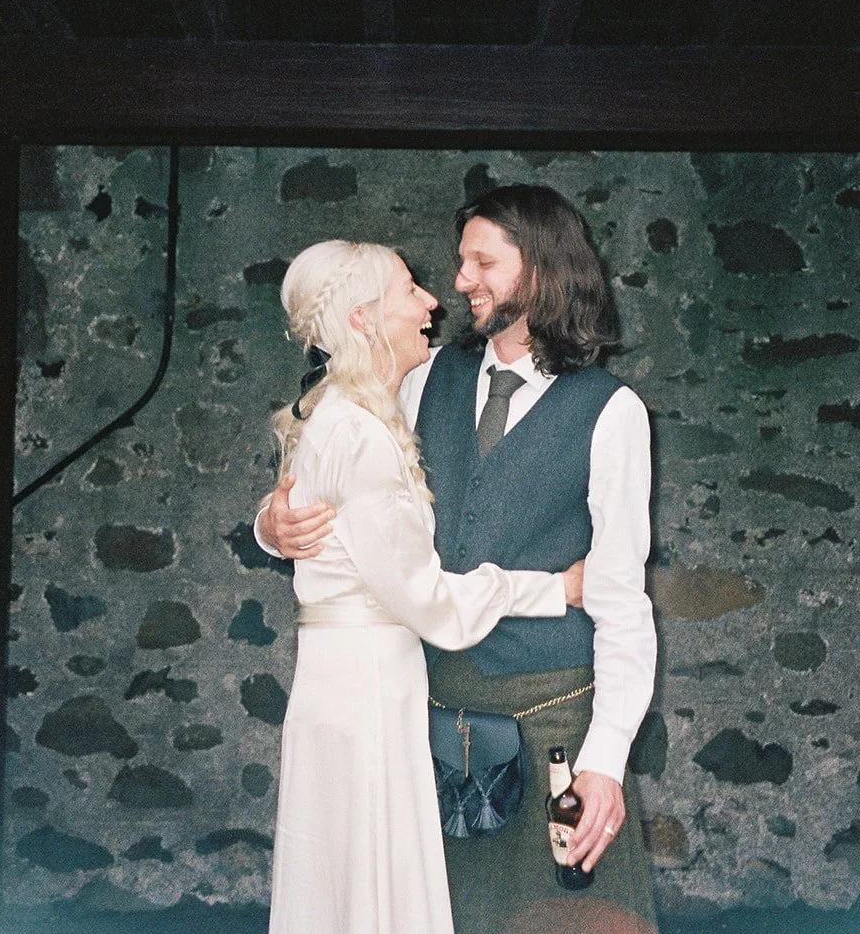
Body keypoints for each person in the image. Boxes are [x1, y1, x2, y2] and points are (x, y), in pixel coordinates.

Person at [261, 186, 659, 934]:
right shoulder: (416, 379)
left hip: (556, 726)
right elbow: (328, 472)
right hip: (433, 730)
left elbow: (620, 599)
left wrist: (606, 757)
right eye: (459, 261)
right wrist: (271, 525)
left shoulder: (613, 411)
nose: (460, 282)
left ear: (539, 270)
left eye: (483, 262)